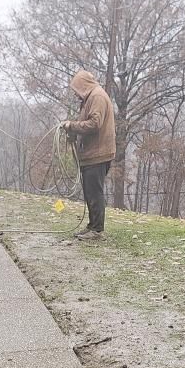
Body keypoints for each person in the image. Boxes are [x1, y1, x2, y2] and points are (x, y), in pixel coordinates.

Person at [62, 70, 116, 241]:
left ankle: (97, 230)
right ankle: (92, 226)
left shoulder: (97, 97)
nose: (76, 94)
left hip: (98, 154)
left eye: (76, 89)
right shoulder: (90, 98)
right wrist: (72, 131)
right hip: (91, 154)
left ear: (83, 85)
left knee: (95, 192)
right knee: (89, 192)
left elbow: (95, 124)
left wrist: (72, 125)